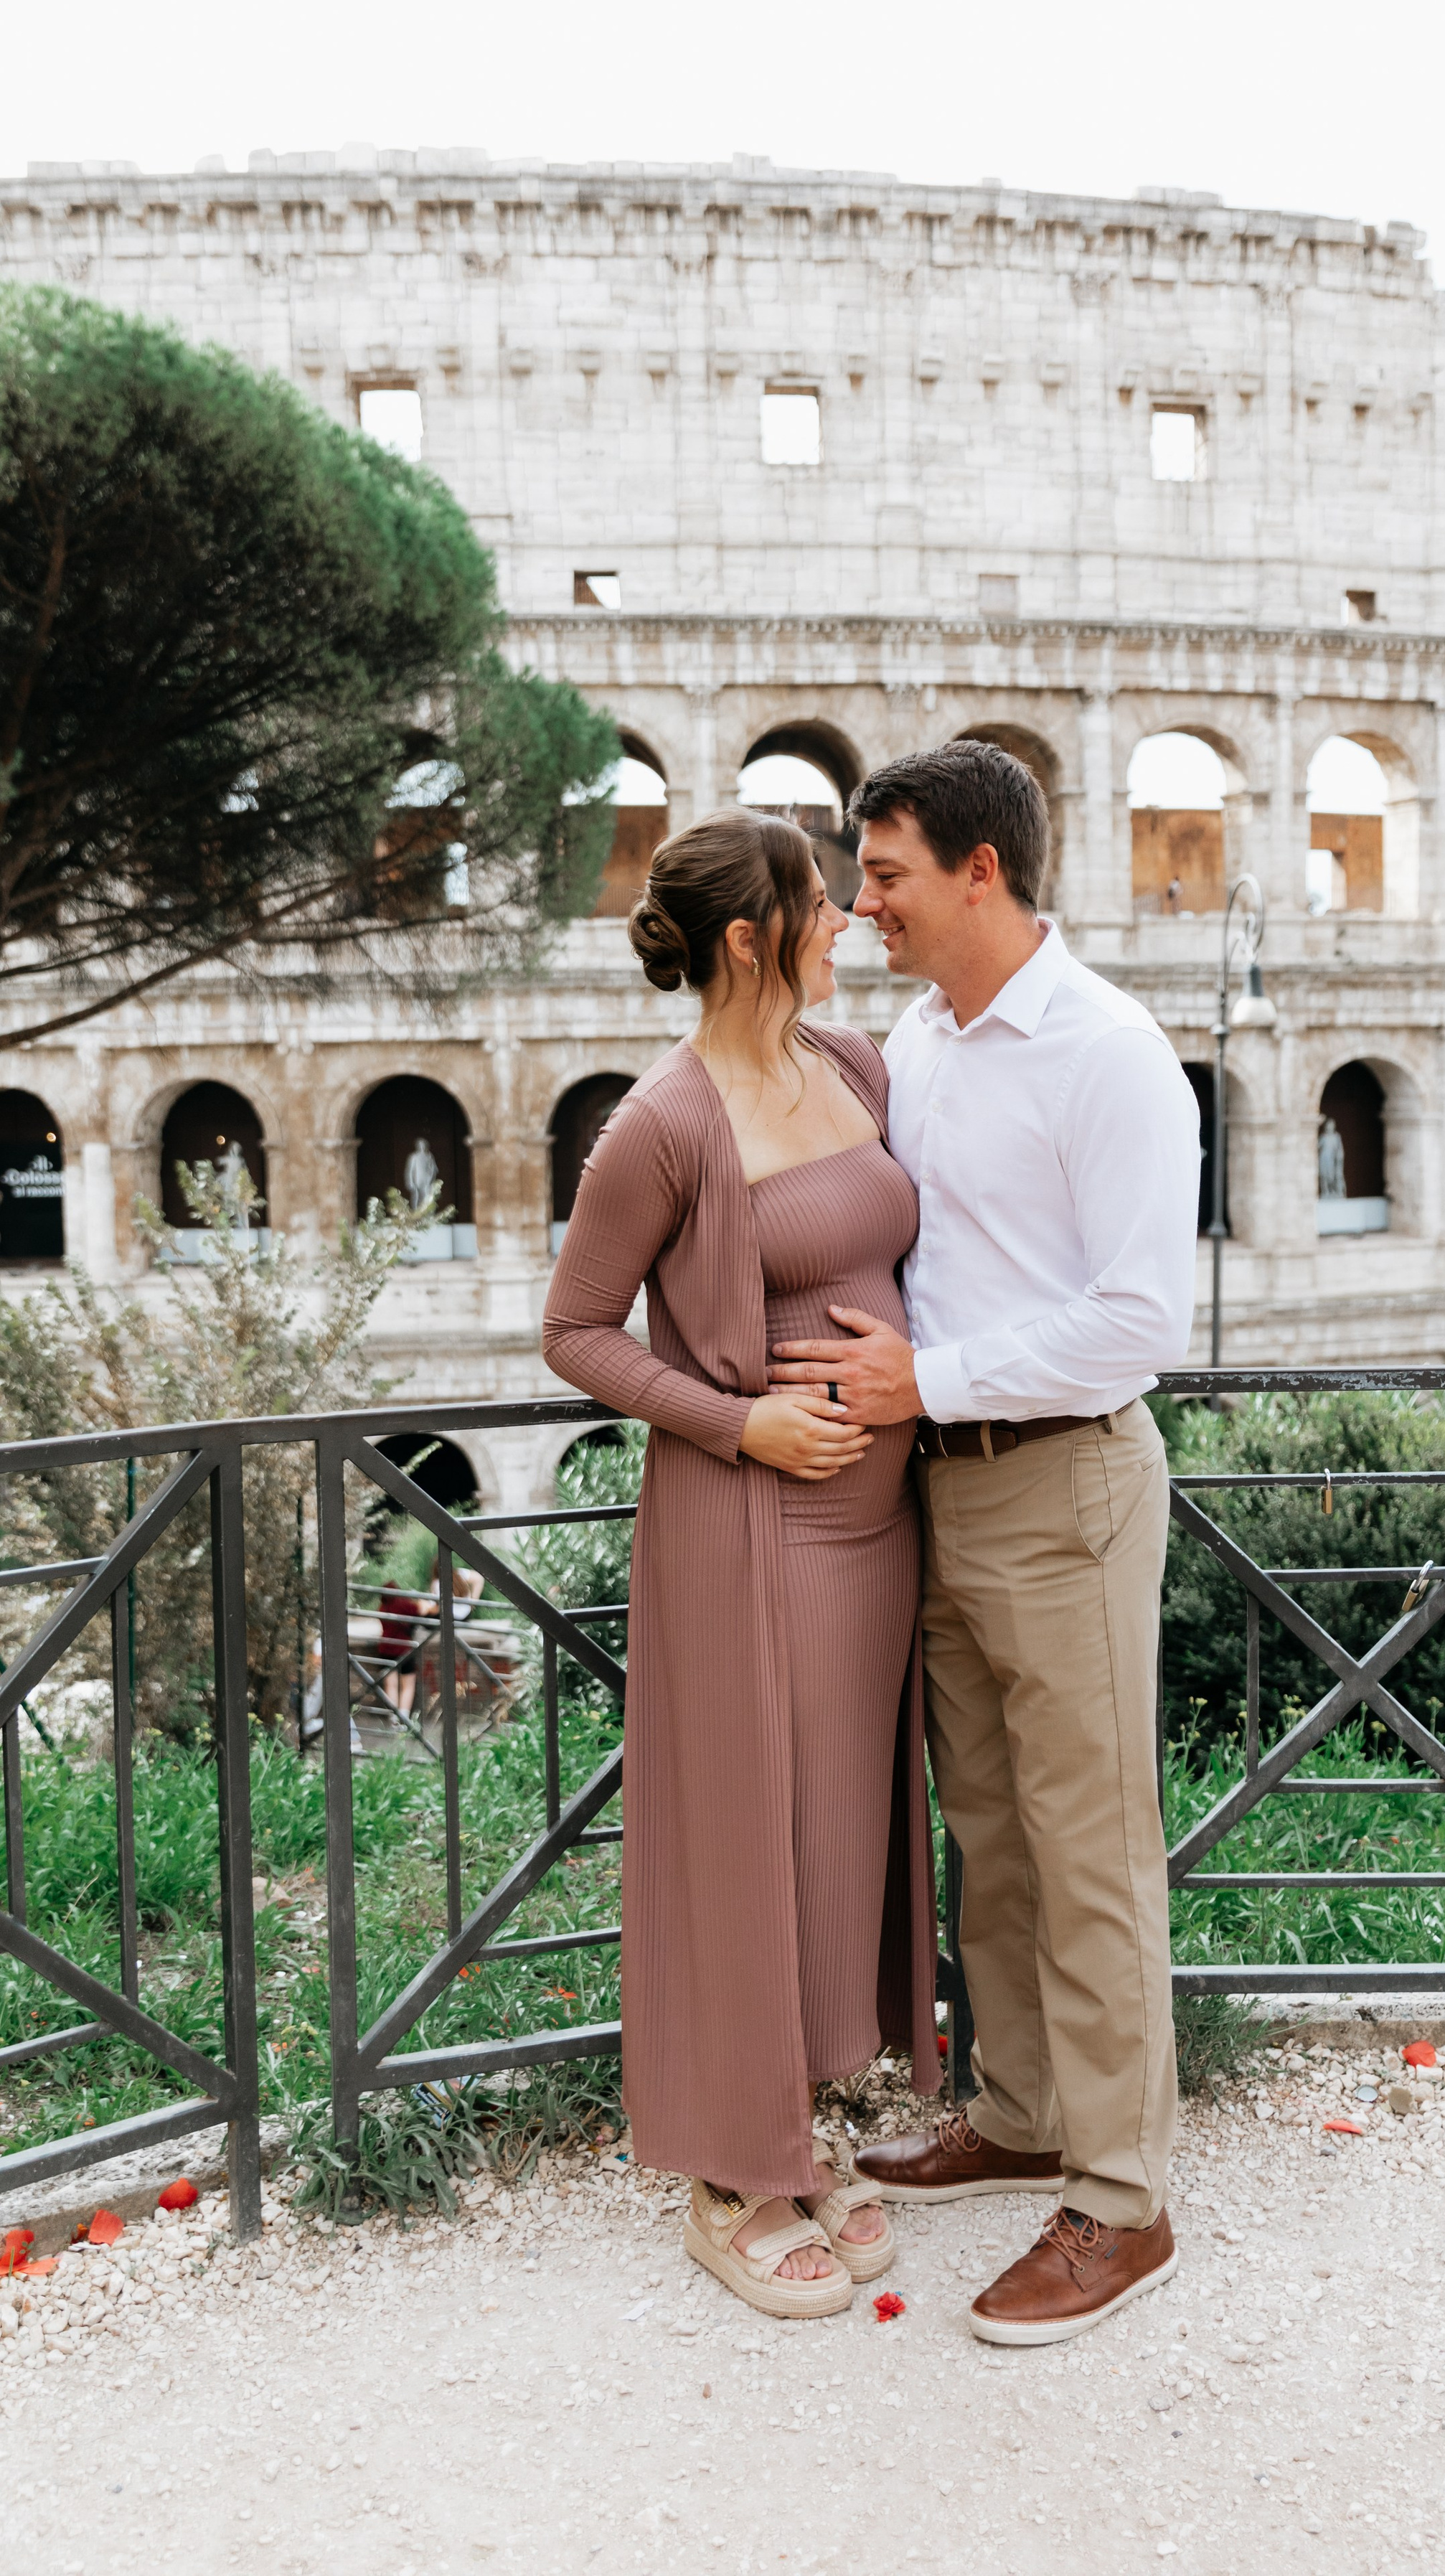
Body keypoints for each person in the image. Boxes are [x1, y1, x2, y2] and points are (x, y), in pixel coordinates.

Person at [767, 738, 1200, 2346]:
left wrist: (923, 1379)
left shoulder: (1107, 1053)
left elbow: (1137, 1320)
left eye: (880, 874)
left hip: (1067, 1478)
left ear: (978, 871)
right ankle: (1017, 2108)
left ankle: (1117, 2201)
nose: (857, 900)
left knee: (1089, 1845)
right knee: (993, 1832)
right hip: (938, 1484)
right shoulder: (920, 1040)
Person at [541, 809, 939, 2321]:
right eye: (821, 906)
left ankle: (792, 2125)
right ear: (748, 937)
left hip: (877, 1535)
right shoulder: (662, 1120)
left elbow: (894, 1259)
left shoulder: (852, 1069)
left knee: (833, 1834)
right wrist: (741, 1425)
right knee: (743, 1840)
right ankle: (729, 2174)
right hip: (748, 1531)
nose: (844, 921)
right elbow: (575, 1330)